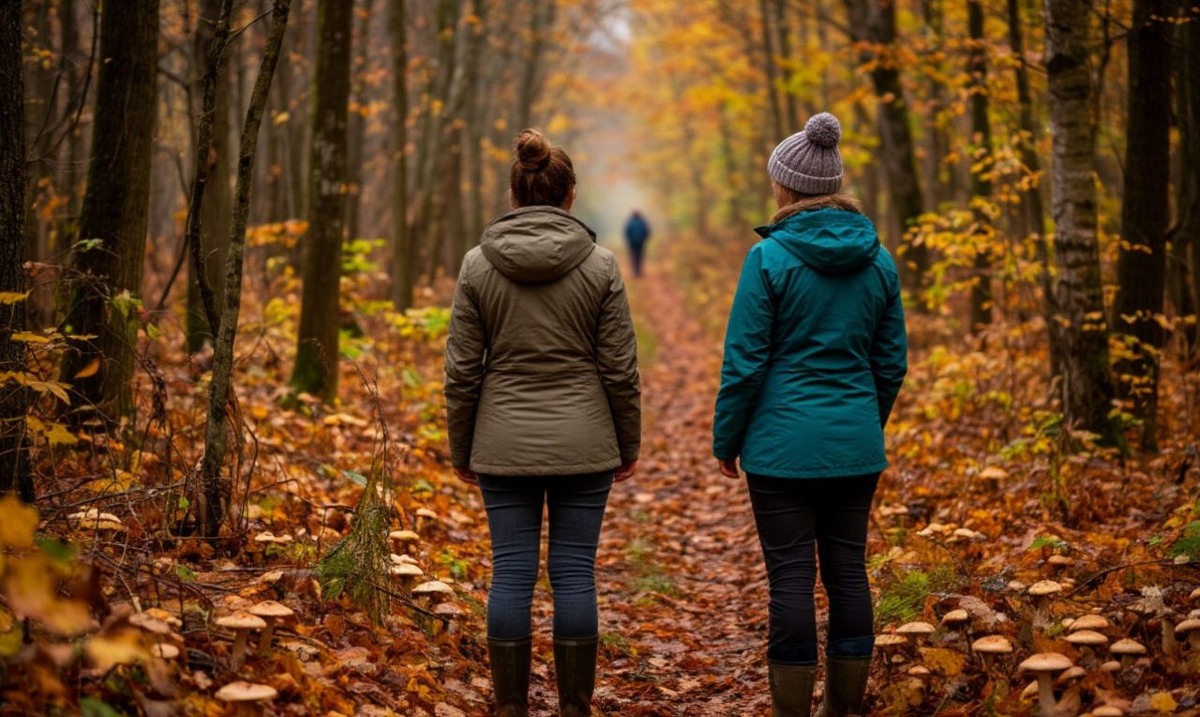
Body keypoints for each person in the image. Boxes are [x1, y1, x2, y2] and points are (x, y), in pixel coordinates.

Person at [712, 112, 907, 717]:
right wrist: (861, 426)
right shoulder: (879, 260)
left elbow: (745, 362)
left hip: (780, 451)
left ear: (787, 186)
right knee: (848, 570)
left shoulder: (767, 259)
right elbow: (891, 362)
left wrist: (728, 439)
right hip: (853, 445)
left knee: (790, 578)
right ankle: (842, 708)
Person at [444, 128, 641, 717]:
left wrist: (463, 449)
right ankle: (575, 710)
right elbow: (621, 370)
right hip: (586, 442)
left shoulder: (478, 266)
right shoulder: (601, 265)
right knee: (575, 574)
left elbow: (461, 372)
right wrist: (626, 444)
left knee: (510, 574)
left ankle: (509, 709)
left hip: (502, 442)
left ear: (514, 192)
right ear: (570, 195)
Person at [623, 210, 651, 277]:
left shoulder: (630, 222)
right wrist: (645, 239)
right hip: (641, 242)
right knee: (639, 256)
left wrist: (629, 240)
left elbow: (626, 232)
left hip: (632, 243)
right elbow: (647, 231)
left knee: (633, 256)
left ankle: (635, 272)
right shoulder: (642, 222)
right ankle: (639, 271)